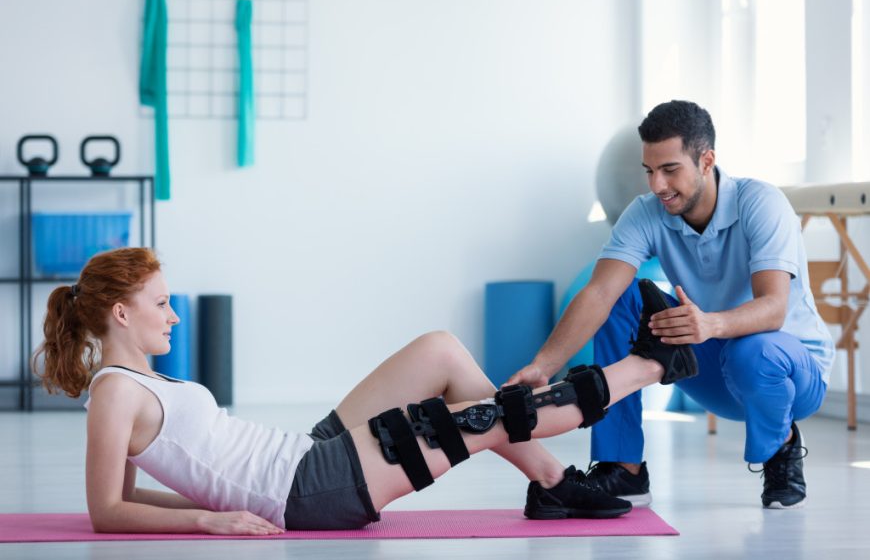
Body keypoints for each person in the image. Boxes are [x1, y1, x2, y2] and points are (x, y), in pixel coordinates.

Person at [32, 247, 696, 534]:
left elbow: (131, 492)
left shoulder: (137, 381)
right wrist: (209, 515)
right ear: (121, 313)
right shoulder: (115, 393)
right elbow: (107, 512)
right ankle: (651, 363)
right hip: (307, 491)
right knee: (493, 416)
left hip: (303, 455)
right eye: (161, 303)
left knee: (439, 349)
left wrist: (197, 497)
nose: (173, 315)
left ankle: (552, 485)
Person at [507, 100, 834, 510]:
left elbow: (773, 309)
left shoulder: (760, 203)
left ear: (706, 160)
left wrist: (709, 324)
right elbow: (598, 294)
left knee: (756, 348)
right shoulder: (646, 213)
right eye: (649, 171)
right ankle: (623, 467)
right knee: (623, 296)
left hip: (789, 371)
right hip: (714, 365)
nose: (656, 185)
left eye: (669, 169)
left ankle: (782, 446)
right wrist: (543, 366)